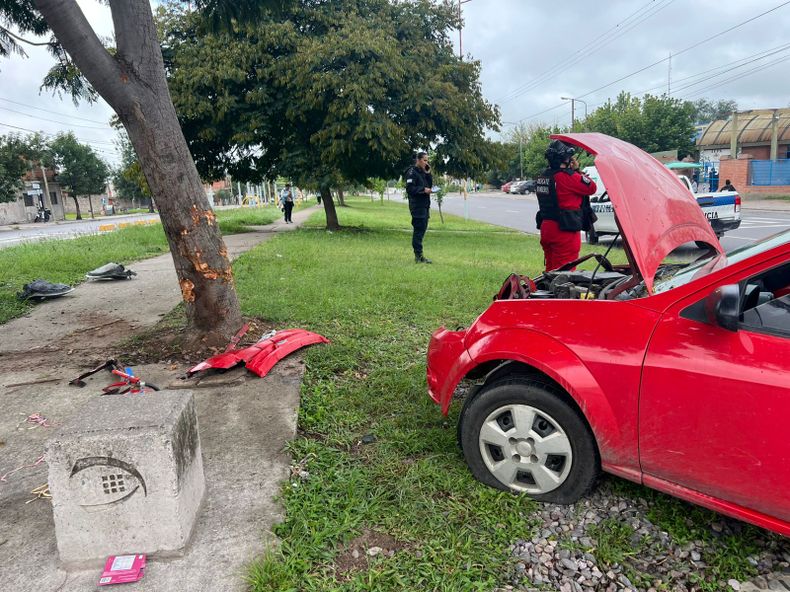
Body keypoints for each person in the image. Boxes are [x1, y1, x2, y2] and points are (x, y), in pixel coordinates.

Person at [535, 140, 597, 271]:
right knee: (564, 275)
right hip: (564, 231)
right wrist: (577, 170)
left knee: (550, 271)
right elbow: (591, 187)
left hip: (546, 228)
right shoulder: (567, 177)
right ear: (566, 158)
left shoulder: (543, 176)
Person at [405, 151, 433, 263]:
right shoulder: (411, 172)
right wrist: (423, 190)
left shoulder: (423, 172)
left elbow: (429, 185)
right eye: (425, 160)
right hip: (417, 206)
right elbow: (410, 189)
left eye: (427, 160)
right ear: (418, 160)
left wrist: (428, 173)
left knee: (422, 229)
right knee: (418, 231)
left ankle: (420, 255)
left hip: (425, 205)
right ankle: (418, 256)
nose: (427, 163)